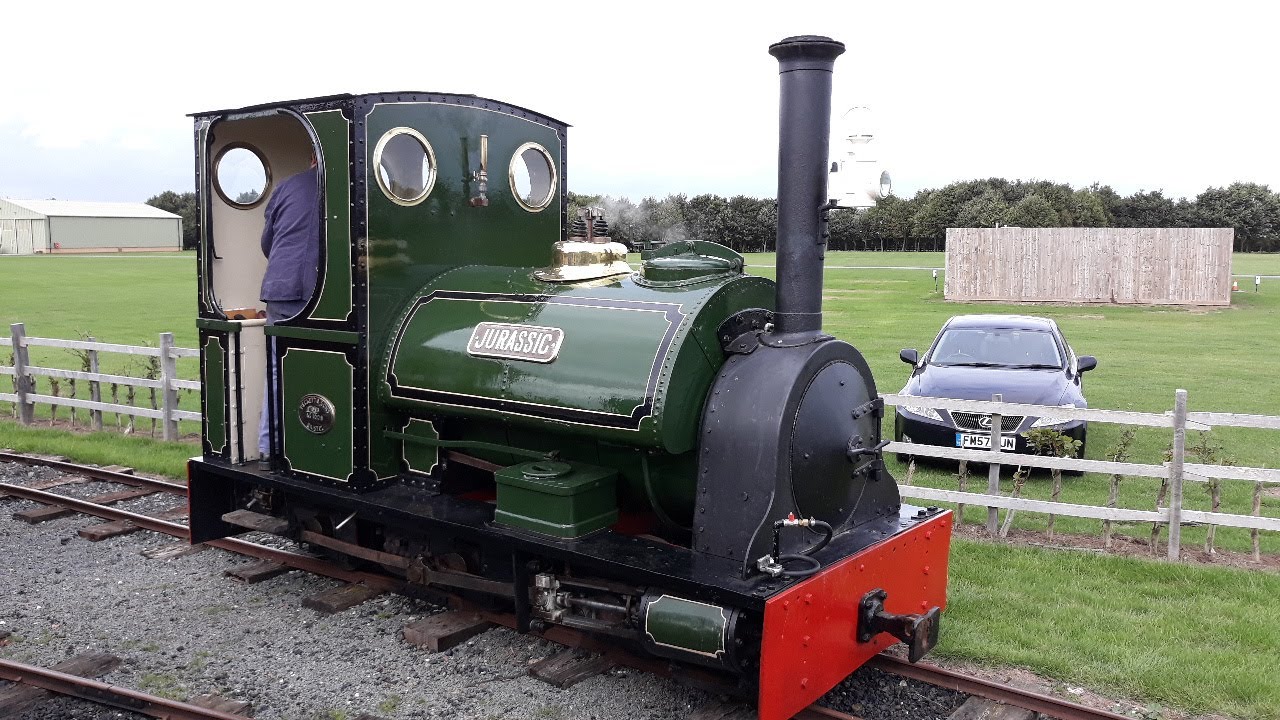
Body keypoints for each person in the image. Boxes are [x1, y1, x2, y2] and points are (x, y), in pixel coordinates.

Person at [257, 155, 321, 466]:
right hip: (316, 293)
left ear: (310, 157)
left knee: (275, 371)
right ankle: (309, 449)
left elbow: (268, 243)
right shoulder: (338, 188)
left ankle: (269, 448)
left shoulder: (286, 187)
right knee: (319, 371)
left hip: (279, 290)